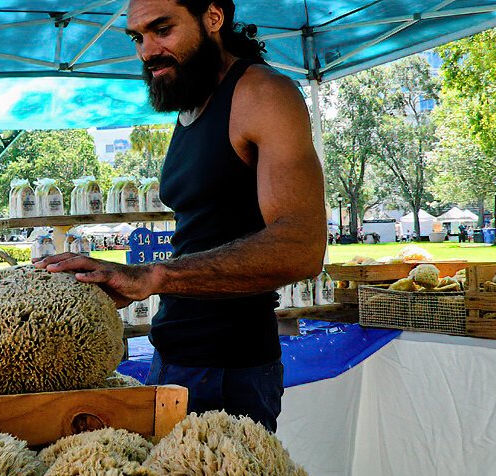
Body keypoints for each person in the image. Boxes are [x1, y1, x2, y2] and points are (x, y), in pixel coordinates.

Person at [35, 0, 325, 430]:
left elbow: (301, 246)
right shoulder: (193, 100)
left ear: (213, 18)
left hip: (229, 369)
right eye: (138, 37)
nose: (147, 50)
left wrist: (153, 276)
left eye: (162, 30)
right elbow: (204, 234)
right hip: (176, 353)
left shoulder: (262, 94)